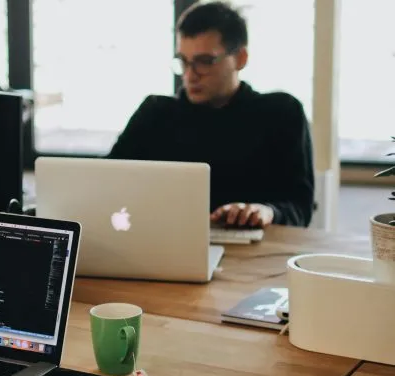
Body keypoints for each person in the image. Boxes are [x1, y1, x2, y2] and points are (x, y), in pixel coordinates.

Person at [107, 1, 315, 228]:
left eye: (204, 62)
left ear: (241, 58)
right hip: (166, 245)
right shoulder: (155, 113)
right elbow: (105, 181)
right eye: (184, 62)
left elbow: (300, 208)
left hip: (255, 253)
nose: (190, 75)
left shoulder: (281, 113)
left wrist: (267, 211)